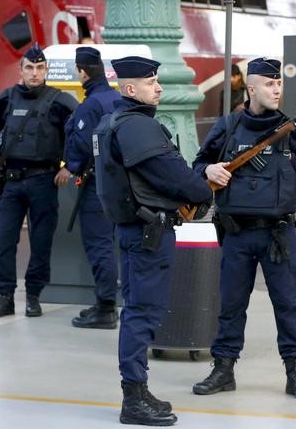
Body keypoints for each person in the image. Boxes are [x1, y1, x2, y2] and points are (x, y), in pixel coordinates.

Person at [191, 57, 296, 401]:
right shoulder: (228, 126)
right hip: (237, 232)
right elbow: (197, 165)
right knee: (231, 305)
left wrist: (287, 159)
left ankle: (295, 372)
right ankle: (223, 369)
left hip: (277, 235)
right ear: (251, 88)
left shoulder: (291, 129)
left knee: (287, 305)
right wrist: (210, 170)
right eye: (269, 84)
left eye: (279, 83)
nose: (277, 89)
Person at [94, 56, 212, 426]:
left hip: (134, 230)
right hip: (149, 233)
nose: (158, 88)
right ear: (130, 89)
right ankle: (133, 398)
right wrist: (202, 188)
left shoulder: (110, 122)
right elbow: (174, 176)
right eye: (151, 82)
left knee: (138, 311)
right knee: (142, 313)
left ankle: (139, 388)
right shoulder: (137, 128)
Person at [0, 44, 78, 318]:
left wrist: (69, 165)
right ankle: (5, 296)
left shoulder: (59, 101)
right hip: (11, 183)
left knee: (40, 241)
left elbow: (80, 130)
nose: (34, 73)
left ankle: (33, 296)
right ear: (20, 70)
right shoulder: (8, 98)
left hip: (43, 181)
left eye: (39, 68)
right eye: (29, 68)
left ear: (46, 70)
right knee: (5, 241)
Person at [64, 46, 121, 329]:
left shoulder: (90, 105)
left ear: (82, 72)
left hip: (96, 185)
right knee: (114, 245)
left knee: (100, 247)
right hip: (118, 185)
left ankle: (106, 308)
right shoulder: (117, 98)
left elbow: (84, 143)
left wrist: (71, 166)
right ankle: (105, 303)